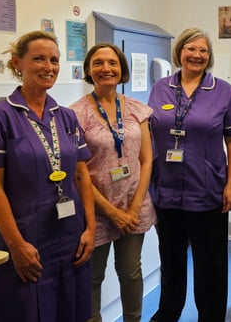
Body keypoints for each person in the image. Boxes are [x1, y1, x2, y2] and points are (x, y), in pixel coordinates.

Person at [0, 30, 96, 322]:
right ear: (17, 64)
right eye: (38, 59)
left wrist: (91, 229)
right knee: (25, 310)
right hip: (26, 238)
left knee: (71, 309)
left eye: (54, 60)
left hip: (70, 236)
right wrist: (16, 245)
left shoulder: (65, 116)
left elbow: (81, 175)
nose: (48, 67)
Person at [147, 27, 231, 322]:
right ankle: (168, 312)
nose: (197, 55)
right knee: (171, 259)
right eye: (191, 49)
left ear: (209, 56)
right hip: (166, 189)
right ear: (179, 53)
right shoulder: (161, 87)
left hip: (208, 191)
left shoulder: (222, 90)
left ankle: (211, 316)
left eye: (203, 50)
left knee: (210, 264)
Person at [69, 43, 157, 322]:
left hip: (134, 204)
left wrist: (132, 209)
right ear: (88, 70)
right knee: (92, 276)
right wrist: (112, 212)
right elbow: (77, 171)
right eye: (98, 63)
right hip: (96, 207)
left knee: (131, 271)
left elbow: (147, 160)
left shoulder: (137, 109)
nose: (106, 68)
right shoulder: (74, 114)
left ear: (122, 70)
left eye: (112, 63)